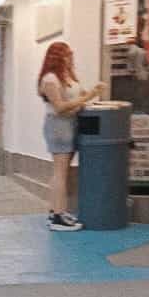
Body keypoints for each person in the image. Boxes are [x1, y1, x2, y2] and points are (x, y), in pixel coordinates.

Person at [37, 41, 100, 231]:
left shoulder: (65, 76)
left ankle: (56, 211)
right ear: (57, 57)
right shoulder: (50, 79)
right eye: (67, 55)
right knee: (60, 172)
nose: (70, 58)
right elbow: (60, 107)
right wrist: (87, 98)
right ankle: (57, 217)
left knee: (61, 171)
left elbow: (73, 99)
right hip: (59, 126)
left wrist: (88, 95)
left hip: (70, 125)